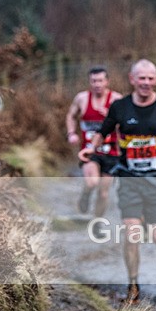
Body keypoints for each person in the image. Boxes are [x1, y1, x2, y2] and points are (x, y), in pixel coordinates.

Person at [79, 59, 156, 304]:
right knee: (130, 235)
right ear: (132, 79)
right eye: (141, 78)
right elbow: (103, 132)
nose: (146, 83)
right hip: (130, 180)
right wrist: (91, 150)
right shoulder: (120, 107)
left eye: (150, 78)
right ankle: (133, 284)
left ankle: (145, 221)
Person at [65, 66, 123, 217]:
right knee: (92, 182)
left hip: (111, 151)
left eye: (100, 81)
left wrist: (112, 118)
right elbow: (71, 115)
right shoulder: (82, 98)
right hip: (90, 150)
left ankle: (97, 221)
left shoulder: (117, 100)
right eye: (93, 81)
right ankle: (86, 194)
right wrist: (71, 133)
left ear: (107, 82)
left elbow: (127, 124)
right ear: (89, 82)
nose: (97, 84)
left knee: (103, 194)